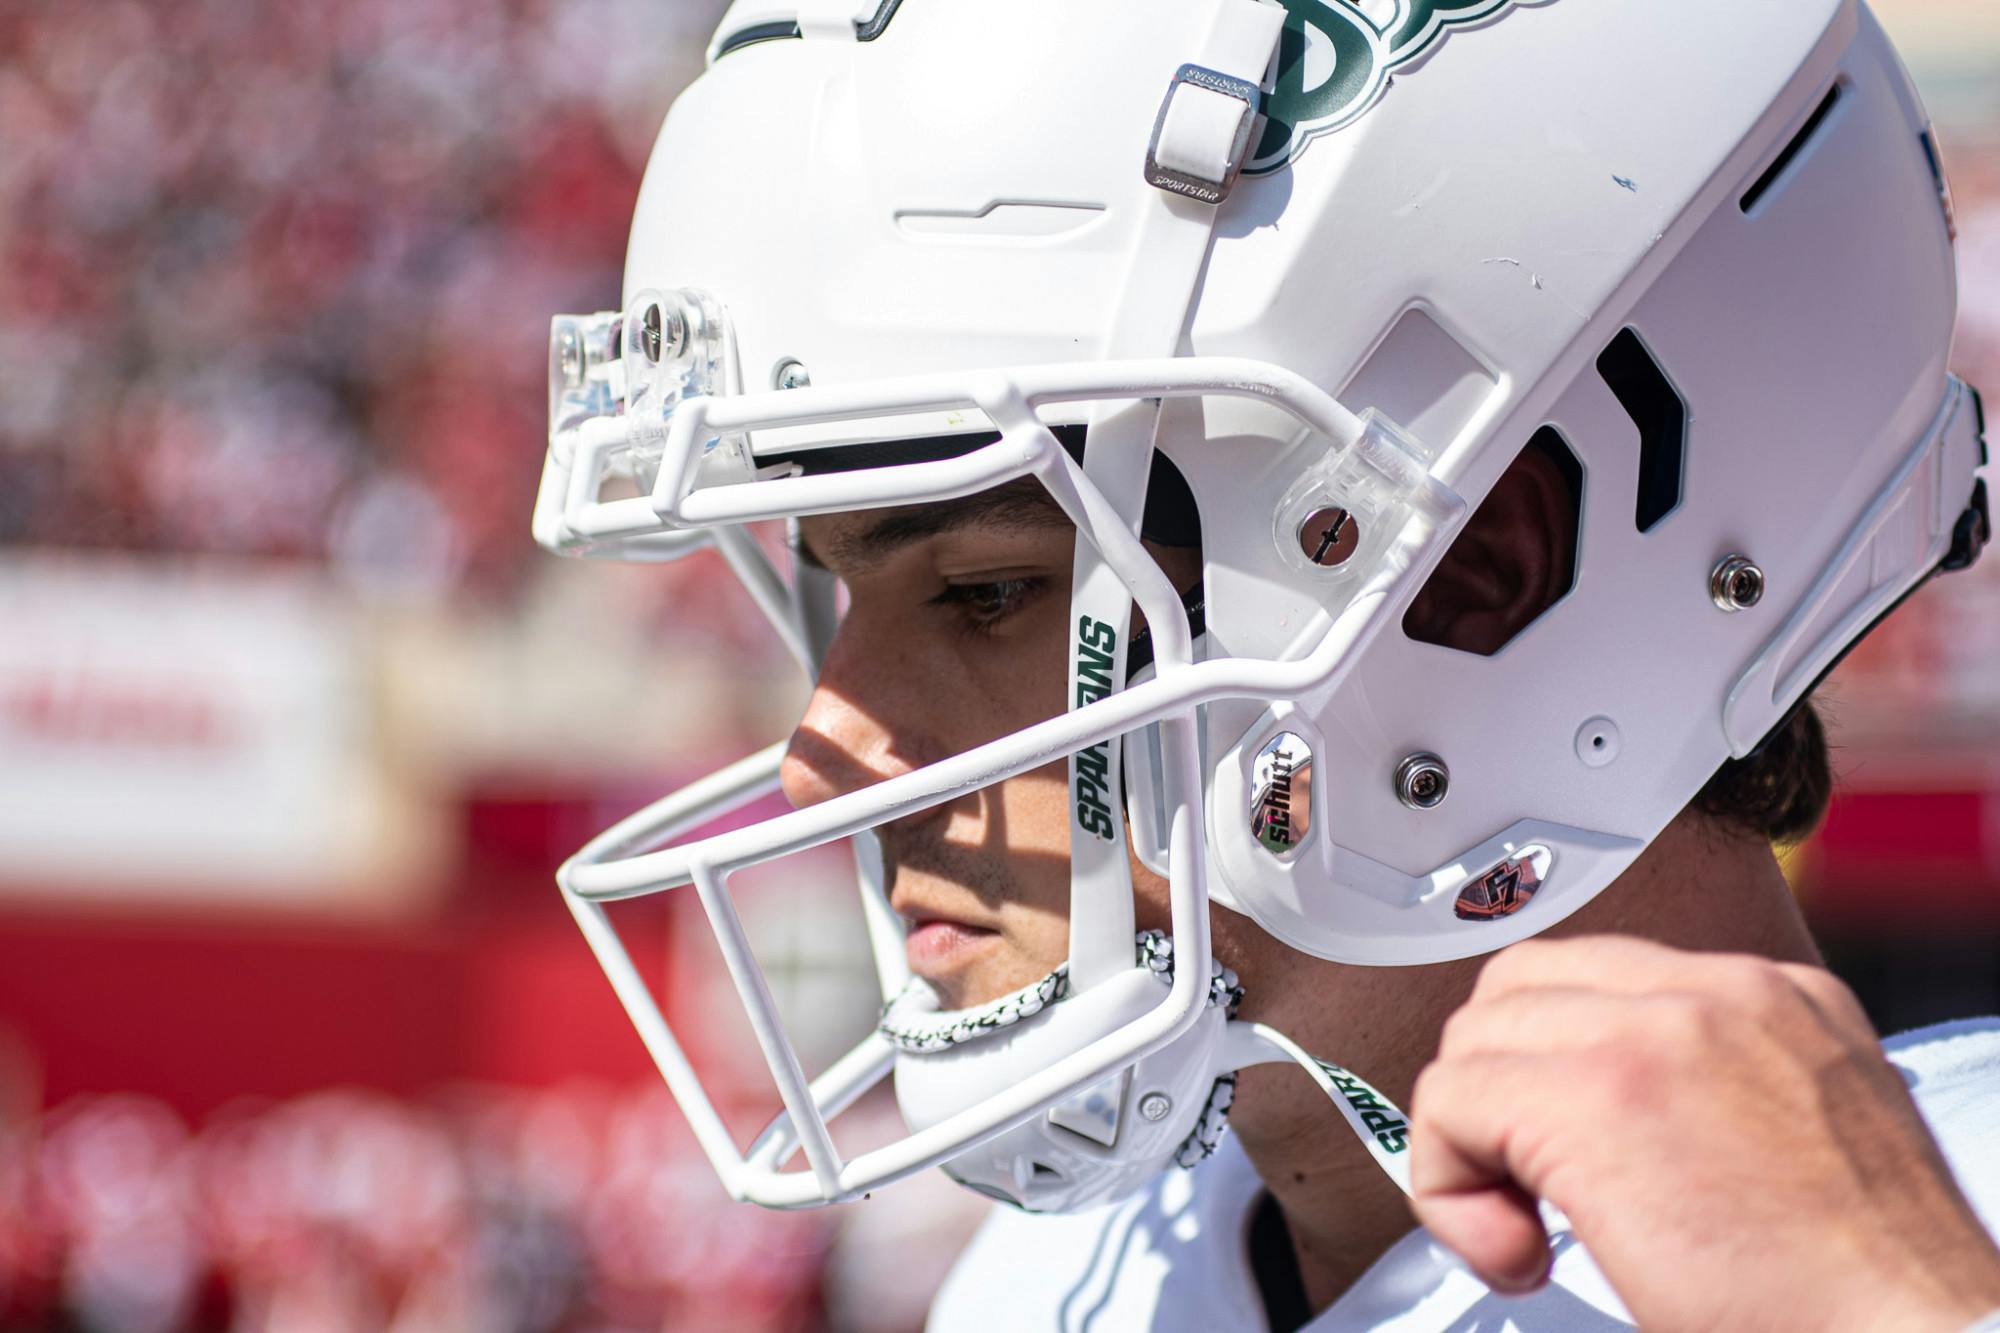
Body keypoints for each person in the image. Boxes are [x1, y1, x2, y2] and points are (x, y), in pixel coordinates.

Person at [531, 0, 2000, 1326]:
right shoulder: (1057, 1287)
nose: (822, 750)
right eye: (842, 595)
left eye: (984, 592)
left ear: (1487, 576)